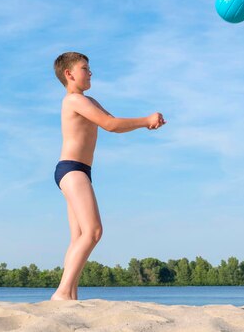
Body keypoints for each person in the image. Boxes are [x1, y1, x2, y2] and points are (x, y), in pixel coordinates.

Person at [50, 52, 166, 301]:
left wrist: (144, 123)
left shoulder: (87, 100)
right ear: (69, 74)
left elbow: (114, 122)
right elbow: (109, 125)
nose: (90, 72)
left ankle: (70, 295)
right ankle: (61, 292)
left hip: (77, 171)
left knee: (79, 237)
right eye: (85, 68)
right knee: (93, 231)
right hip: (72, 169)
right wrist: (146, 120)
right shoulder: (73, 100)